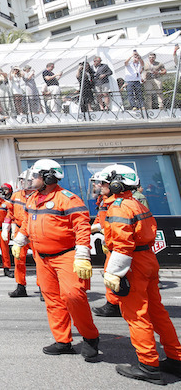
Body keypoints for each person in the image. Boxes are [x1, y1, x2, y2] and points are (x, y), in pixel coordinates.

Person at [97, 165, 181, 384]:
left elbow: (123, 245)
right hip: (147, 260)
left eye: (108, 181)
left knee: (137, 316)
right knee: (157, 312)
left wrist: (114, 272)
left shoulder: (119, 206)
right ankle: (176, 358)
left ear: (117, 183)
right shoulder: (135, 202)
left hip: (132, 262)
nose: (104, 185)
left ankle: (148, 366)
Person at [11, 159, 99, 362]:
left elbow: (82, 227)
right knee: (52, 300)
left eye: (36, 175)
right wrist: (19, 240)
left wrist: (83, 255)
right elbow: (26, 222)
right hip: (43, 258)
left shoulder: (67, 199)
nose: (32, 179)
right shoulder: (32, 198)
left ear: (48, 177)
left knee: (73, 297)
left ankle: (90, 338)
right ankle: (63, 341)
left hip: (65, 256)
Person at [89, 168, 122, 318]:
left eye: (102, 183)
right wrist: (94, 228)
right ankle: (113, 303)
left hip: (119, 246)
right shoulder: (104, 200)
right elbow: (101, 220)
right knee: (110, 274)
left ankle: (115, 305)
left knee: (114, 274)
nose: (99, 186)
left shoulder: (119, 203)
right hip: (111, 244)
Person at [3, 172, 35, 298]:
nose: (22, 183)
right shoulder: (16, 195)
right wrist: (6, 228)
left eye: (24, 180)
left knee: (40, 260)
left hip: (34, 230)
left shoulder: (38, 196)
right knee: (18, 259)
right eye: (21, 180)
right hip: (20, 229)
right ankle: (20, 286)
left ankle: (44, 288)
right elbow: (10, 213)